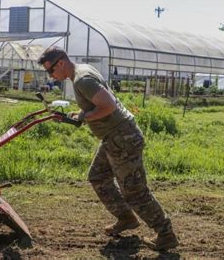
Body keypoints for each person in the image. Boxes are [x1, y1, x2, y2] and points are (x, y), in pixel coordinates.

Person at [38, 46, 178, 251]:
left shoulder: (82, 79)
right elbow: (97, 103)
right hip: (114, 137)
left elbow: (109, 106)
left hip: (122, 138)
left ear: (61, 62)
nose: (51, 75)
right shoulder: (82, 71)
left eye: (50, 70)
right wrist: (81, 114)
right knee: (98, 176)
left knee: (135, 191)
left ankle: (165, 233)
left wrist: (85, 117)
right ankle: (126, 217)